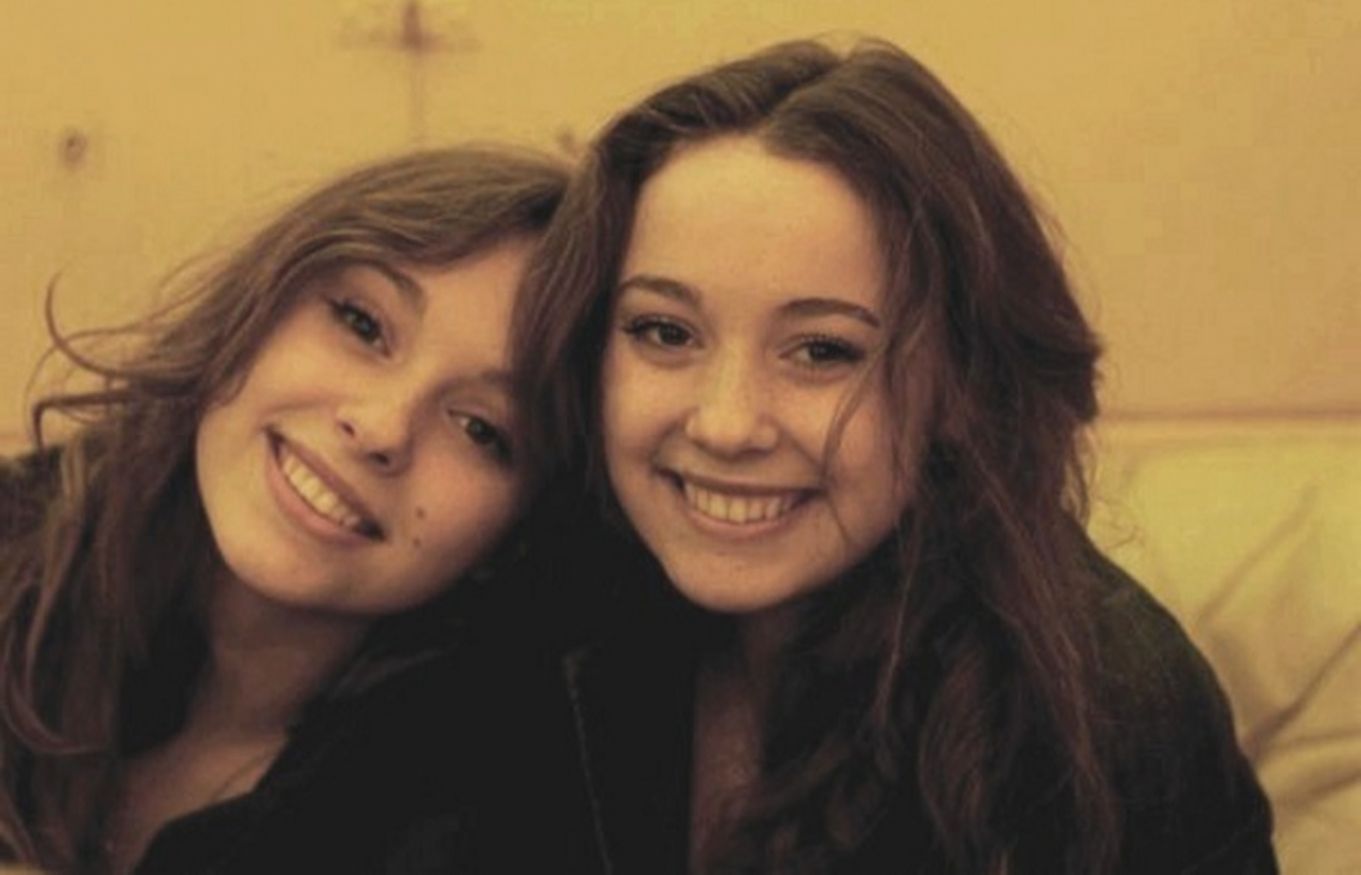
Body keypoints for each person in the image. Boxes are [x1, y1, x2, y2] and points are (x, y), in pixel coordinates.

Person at [519, 39, 1278, 874]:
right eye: (665, 332)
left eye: (823, 351)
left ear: (959, 387)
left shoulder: (1104, 711)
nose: (726, 425)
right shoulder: (539, 594)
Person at [0, 146, 571, 873]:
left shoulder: (485, 817)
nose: (382, 426)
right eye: (362, 324)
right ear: (258, 301)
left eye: (481, 429)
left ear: (522, 527)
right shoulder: (19, 543)